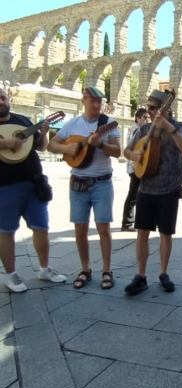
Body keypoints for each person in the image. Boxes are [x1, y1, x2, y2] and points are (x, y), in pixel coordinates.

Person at [47, 87, 121, 290]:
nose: (97, 105)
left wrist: (100, 145)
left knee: (103, 227)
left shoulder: (108, 124)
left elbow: (117, 151)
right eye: (92, 101)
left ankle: (107, 270)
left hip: (102, 182)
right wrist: (65, 148)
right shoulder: (72, 124)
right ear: (84, 101)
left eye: (100, 101)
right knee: (80, 228)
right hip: (78, 182)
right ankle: (85, 269)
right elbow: (52, 145)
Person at [123, 90, 182, 295]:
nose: (149, 112)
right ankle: (141, 275)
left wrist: (169, 128)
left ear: (164, 108)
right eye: (148, 108)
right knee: (142, 232)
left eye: (152, 108)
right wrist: (133, 154)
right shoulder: (143, 129)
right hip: (146, 188)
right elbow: (126, 150)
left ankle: (163, 273)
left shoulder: (179, 127)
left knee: (165, 233)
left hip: (169, 188)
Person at [0, 88, 66, 292]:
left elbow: (40, 146)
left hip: (34, 184)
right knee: (6, 231)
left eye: (2, 97)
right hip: (5, 186)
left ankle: (44, 269)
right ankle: (11, 276)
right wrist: (5, 143)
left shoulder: (23, 120)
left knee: (41, 228)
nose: (0, 101)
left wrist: (44, 133)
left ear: (8, 99)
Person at [121, 107, 148, 232]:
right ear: (138, 118)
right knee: (133, 194)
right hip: (135, 166)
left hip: (137, 166)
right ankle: (127, 222)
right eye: (144, 117)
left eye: (148, 117)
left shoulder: (138, 129)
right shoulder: (136, 130)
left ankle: (131, 221)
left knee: (136, 193)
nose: (147, 120)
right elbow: (132, 147)